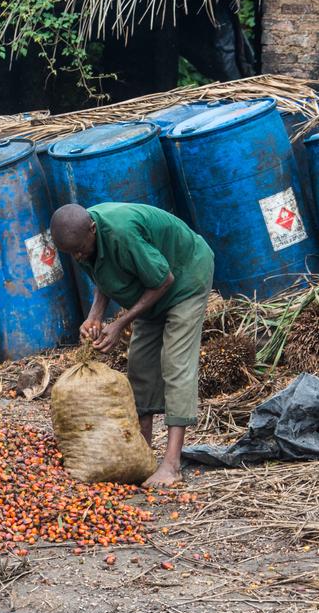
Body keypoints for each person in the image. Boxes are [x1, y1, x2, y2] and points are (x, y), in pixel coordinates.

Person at [49, 202, 214, 487]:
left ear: (93, 229)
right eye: (71, 253)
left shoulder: (121, 232)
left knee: (175, 364)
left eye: (79, 249)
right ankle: (142, 453)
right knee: (139, 368)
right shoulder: (80, 239)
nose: (77, 255)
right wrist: (95, 315)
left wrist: (120, 324)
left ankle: (172, 464)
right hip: (148, 289)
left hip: (185, 278)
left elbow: (164, 279)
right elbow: (104, 273)